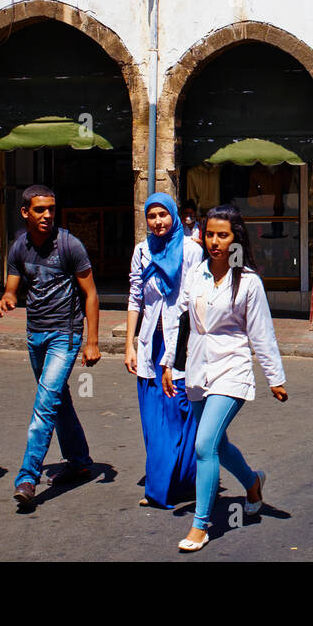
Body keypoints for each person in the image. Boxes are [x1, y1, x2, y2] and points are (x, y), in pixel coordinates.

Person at [164, 204, 287, 553]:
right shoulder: (197, 275)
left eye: (224, 235)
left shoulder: (248, 282)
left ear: (236, 239)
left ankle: (201, 525)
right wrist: (169, 364)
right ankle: (251, 483)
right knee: (217, 445)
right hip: (198, 368)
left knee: (203, 446)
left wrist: (274, 377)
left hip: (232, 370)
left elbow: (262, 334)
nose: (215, 242)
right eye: (210, 234)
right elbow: (181, 322)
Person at [0, 185, 100, 509]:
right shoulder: (19, 248)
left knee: (45, 404)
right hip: (35, 335)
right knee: (58, 400)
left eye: (51, 209)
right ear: (25, 212)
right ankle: (80, 460)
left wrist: (92, 342)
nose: (47, 215)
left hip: (65, 336)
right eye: (40, 210)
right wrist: (7, 299)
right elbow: (12, 289)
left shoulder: (69, 244)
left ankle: (27, 477)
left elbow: (91, 295)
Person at [126, 192, 204, 508]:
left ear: (173, 216)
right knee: (153, 418)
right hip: (149, 344)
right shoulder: (142, 252)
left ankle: (175, 484)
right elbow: (135, 298)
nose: (158, 222)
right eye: (152, 216)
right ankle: (164, 483)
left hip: (180, 342)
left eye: (163, 215)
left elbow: (189, 302)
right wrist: (129, 345)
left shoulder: (190, 251)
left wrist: (175, 354)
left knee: (177, 413)